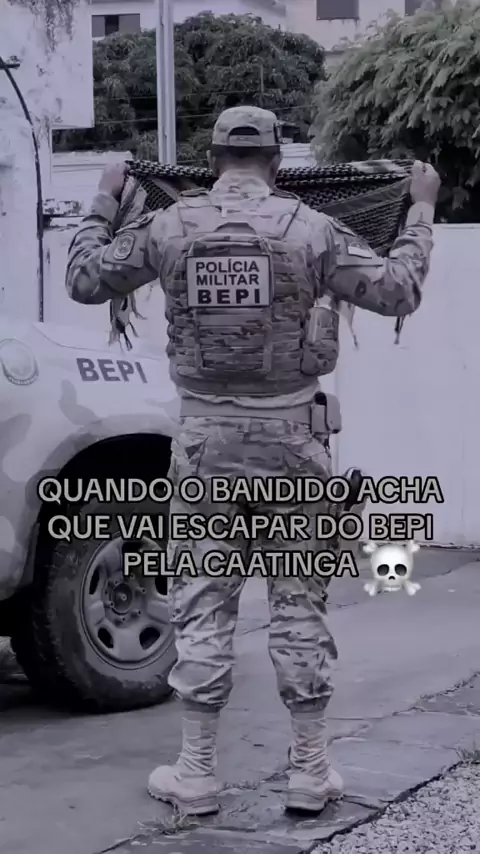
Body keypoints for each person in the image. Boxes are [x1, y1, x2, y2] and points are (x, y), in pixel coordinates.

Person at [65, 106, 440, 818]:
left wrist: (106, 198)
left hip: (204, 452)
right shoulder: (313, 228)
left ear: (211, 162)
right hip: (294, 448)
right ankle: (310, 771)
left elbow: (85, 279)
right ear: (276, 162)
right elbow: (399, 290)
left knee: (203, 602)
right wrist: (419, 211)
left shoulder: (169, 227)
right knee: (299, 605)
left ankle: (197, 772)